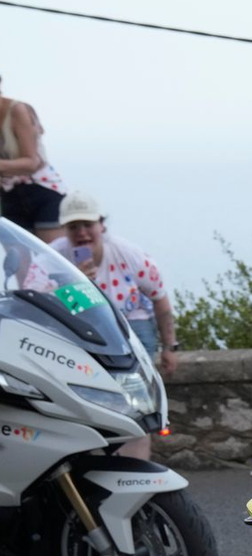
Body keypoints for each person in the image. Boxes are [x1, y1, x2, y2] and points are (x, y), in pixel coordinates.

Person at [51, 190, 179, 460]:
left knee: (135, 404)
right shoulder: (55, 259)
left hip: (132, 325)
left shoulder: (127, 254)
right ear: (65, 230)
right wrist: (76, 284)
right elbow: (44, 302)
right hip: (83, 331)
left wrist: (170, 347)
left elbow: (160, 300)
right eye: (74, 226)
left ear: (101, 225)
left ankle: (137, 465)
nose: (82, 232)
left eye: (88, 225)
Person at [0, 75, 67, 241]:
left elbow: (31, 162)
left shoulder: (16, 110)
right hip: (9, 194)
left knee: (52, 257)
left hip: (41, 188)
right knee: (19, 263)